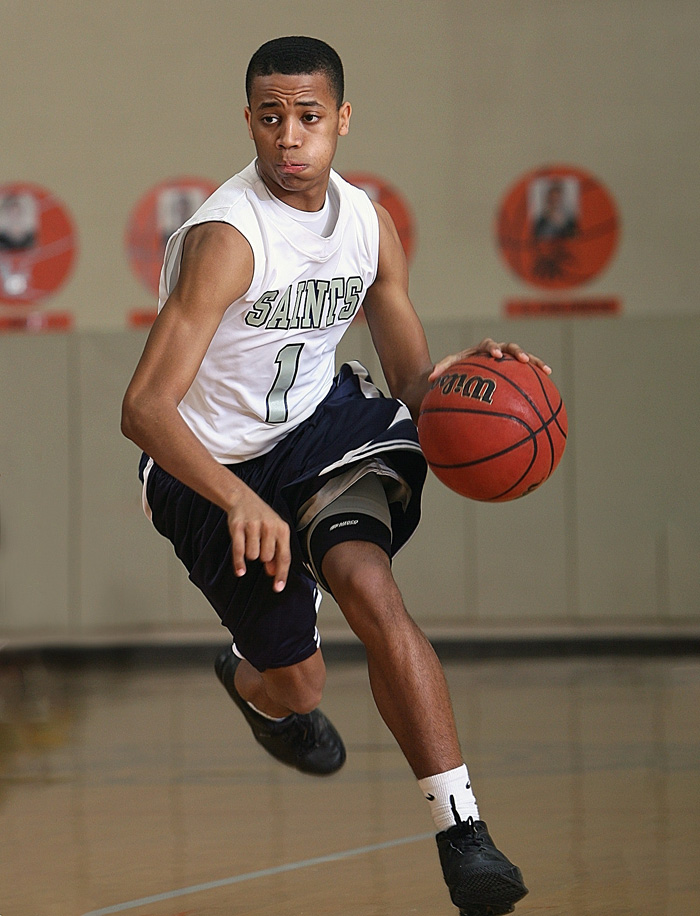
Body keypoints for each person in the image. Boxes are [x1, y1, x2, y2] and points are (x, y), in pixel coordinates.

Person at [122, 36, 551, 916]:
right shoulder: (226, 241)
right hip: (207, 464)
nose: (289, 137)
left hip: (318, 428)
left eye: (309, 118)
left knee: (369, 586)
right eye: (271, 117)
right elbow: (145, 410)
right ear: (249, 120)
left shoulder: (367, 225)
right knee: (299, 683)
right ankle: (256, 687)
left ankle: (462, 833)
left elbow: (413, 384)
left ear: (341, 122)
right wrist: (238, 498)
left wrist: (472, 382)